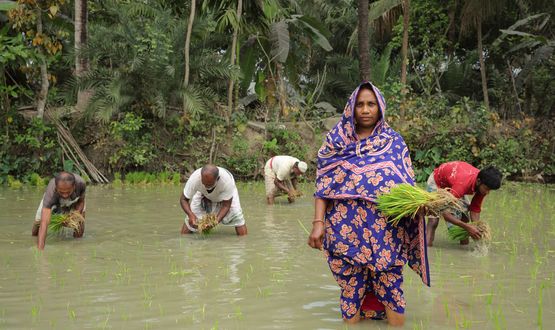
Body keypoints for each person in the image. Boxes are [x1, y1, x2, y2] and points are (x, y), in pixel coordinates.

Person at [307, 82, 429, 327]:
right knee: (351, 289)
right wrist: (318, 223)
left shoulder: (393, 142)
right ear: (351, 108)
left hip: (385, 231)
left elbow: (406, 185)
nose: (365, 110)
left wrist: (421, 205)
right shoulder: (336, 141)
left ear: (380, 108)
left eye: (371, 104)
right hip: (345, 230)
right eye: (359, 104)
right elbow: (323, 186)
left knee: (391, 286)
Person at [425, 161, 502, 246]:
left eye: (490, 190)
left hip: (453, 184)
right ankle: (426, 250)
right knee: (433, 220)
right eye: (487, 189)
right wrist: (468, 227)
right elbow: (445, 214)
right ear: (478, 181)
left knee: (464, 217)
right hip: (438, 182)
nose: (487, 192)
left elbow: (474, 209)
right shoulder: (463, 185)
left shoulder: (482, 185)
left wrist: (476, 227)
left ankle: (463, 249)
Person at [179, 164, 247, 236]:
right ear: (201, 177)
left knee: (236, 215)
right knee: (190, 221)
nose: (206, 186)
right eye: (204, 183)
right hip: (202, 193)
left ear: (217, 179)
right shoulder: (195, 179)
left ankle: (243, 241)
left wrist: (215, 221)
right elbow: (183, 199)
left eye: (209, 184)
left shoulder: (226, 181)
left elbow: (226, 205)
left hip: (225, 195)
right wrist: (191, 215)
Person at [33, 172, 87, 250]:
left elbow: (81, 201)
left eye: (68, 192)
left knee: (79, 227)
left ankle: (77, 249)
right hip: (55, 200)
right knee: (37, 225)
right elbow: (44, 223)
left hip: (74, 199)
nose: (65, 195)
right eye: (62, 192)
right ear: (56, 188)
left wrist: (74, 216)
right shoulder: (50, 194)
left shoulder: (81, 184)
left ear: (74, 186)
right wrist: (40, 251)